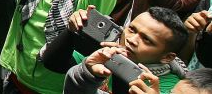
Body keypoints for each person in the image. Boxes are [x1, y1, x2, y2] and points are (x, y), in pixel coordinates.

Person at [60, 8, 191, 94]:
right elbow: (54, 63)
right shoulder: (106, 55)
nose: (131, 40)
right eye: (132, 29)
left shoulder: (170, 88)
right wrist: (71, 31)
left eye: (147, 40)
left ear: (167, 57)